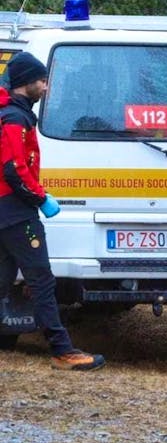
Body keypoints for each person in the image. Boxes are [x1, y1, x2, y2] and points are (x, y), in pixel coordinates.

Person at [0, 52, 105, 371]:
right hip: (16, 212)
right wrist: (40, 198)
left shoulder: (14, 114)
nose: (46, 87)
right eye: (42, 81)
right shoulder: (15, 119)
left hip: (8, 209)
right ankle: (62, 350)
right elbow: (14, 169)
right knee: (42, 279)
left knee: (2, 279)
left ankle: (62, 347)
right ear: (25, 83)